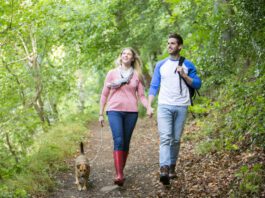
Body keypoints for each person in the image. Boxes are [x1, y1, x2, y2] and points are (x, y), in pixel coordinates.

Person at [147, 33, 202, 185]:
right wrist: (149, 105)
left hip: (182, 106)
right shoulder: (161, 65)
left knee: (175, 139)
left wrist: (184, 75)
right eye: (168, 43)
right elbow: (154, 86)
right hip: (164, 105)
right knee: (165, 138)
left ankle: (172, 167)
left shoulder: (188, 64)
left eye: (172, 43)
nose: (169, 46)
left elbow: (197, 84)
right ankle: (163, 169)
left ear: (180, 46)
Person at [99, 47, 148, 186]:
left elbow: (142, 96)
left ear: (133, 58)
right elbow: (104, 94)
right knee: (119, 140)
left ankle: (121, 169)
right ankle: (119, 175)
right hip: (114, 111)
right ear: (121, 57)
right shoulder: (112, 73)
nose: (126, 56)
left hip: (132, 112)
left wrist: (148, 107)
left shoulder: (136, 75)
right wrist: (101, 113)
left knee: (125, 142)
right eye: (124, 54)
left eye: (129, 54)